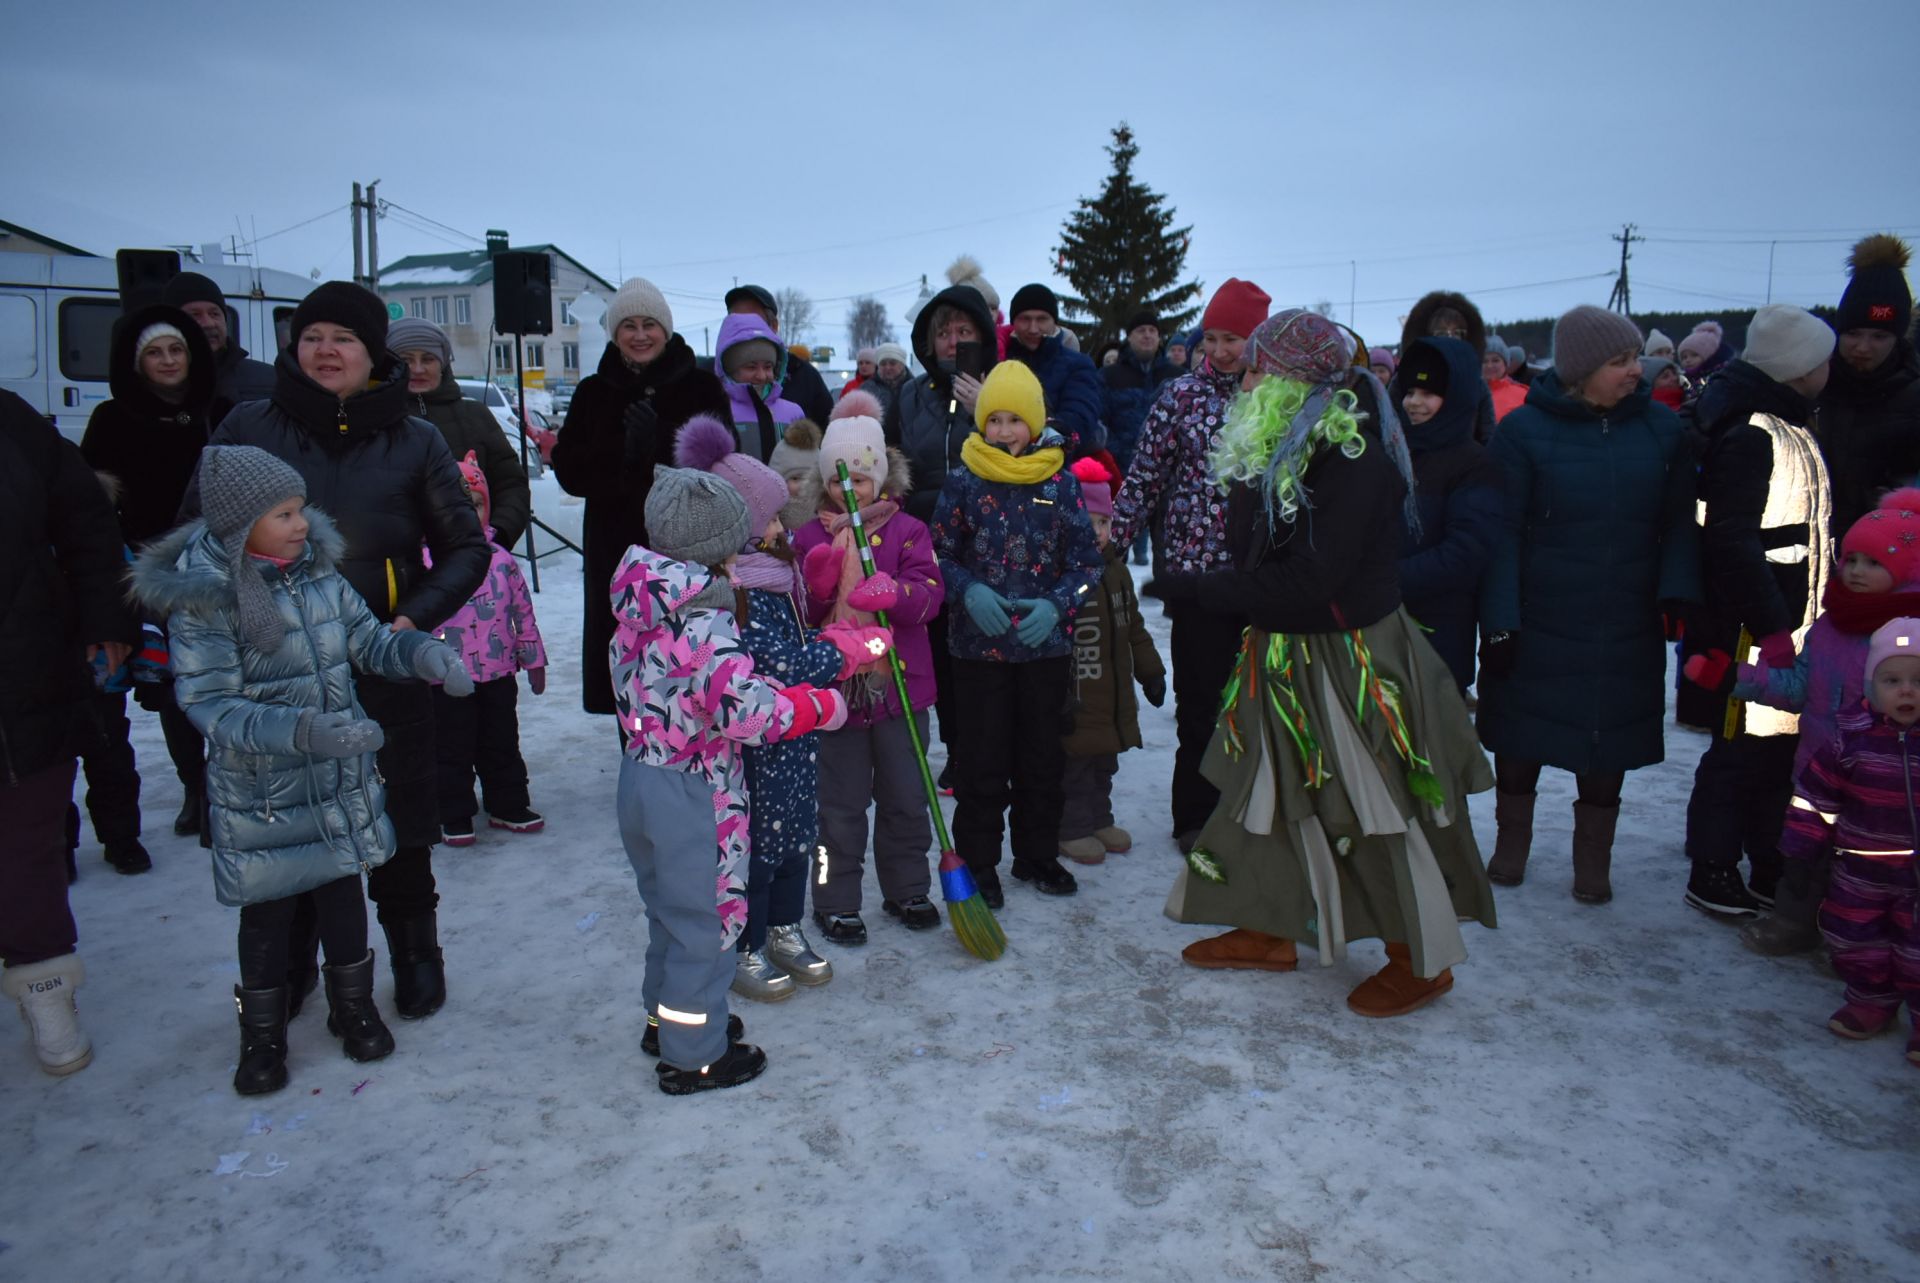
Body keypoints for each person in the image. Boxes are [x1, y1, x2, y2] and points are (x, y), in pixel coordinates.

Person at [1173, 308, 1495, 1017]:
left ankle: (1422, 957)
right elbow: (1260, 551)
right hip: (1286, 651)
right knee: (1269, 793)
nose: (1244, 376)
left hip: (1350, 664)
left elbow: (1307, 581)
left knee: (1370, 803)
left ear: (1293, 376)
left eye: (1257, 366)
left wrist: (1201, 591)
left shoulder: (1353, 461)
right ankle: (1272, 924)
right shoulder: (1289, 447)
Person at [132, 446, 472, 1095]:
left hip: (336, 782)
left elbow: (367, 640)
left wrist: (423, 654)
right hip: (264, 795)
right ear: (237, 526)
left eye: (297, 508)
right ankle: (261, 1035)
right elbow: (209, 703)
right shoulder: (208, 599)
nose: (301, 522)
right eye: (283, 513)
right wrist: (304, 730)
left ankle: (354, 1007)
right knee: (266, 918)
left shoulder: (317, 573)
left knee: (344, 901)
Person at [197, 280, 490, 1020]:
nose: (327, 350)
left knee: (403, 821)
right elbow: (196, 543)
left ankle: (416, 952)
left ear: (372, 354)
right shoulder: (246, 427)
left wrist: (411, 619)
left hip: (379, 662)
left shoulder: (416, 437)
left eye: (345, 338)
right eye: (313, 335)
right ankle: (288, 965)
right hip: (275, 678)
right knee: (287, 827)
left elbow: (464, 547)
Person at [611, 465, 847, 1093]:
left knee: (670, 911)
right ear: (716, 548)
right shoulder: (702, 618)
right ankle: (696, 1055)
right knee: (707, 920)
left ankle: (669, 1021)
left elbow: (691, 689)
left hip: (642, 776)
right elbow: (744, 712)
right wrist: (818, 706)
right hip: (695, 791)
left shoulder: (644, 600)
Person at [1478, 305, 1701, 901]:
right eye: (1620, 362)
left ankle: (1592, 862)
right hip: (1541, 613)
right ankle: (1511, 846)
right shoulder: (1523, 432)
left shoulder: (1661, 430)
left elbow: (1680, 522)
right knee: (1521, 737)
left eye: (1634, 359)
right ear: (1580, 371)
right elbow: (1502, 533)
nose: (1636, 371)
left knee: (1609, 742)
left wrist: (1677, 590)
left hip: (1623, 617)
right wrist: (1499, 621)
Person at [672, 416, 889, 992]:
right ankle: (747, 942)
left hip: (798, 735)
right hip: (758, 741)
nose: (780, 522)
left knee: (796, 836)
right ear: (737, 526)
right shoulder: (734, 590)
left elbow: (793, 644)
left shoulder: (777, 574)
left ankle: (785, 928)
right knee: (760, 848)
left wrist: (821, 617)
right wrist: (840, 654)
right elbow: (772, 662)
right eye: (768, 515)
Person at [1686, 492, 1920, 954]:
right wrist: (1734, 677)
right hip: (1817, 772)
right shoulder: (1829, 627)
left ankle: (1860, 945)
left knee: (1867, 867)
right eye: (1850, 558)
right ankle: (1793, 923)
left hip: (1886, 784)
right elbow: (1796, 687)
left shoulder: (1908, 635)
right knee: (1803, 851)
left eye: (1873, 563)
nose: (1855, 570)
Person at [1677, 304, 1836, 922]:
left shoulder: (1789, 423)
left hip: (1790, 618)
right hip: (1755, 627)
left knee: (1774, 755)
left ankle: (1764, 860)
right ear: (1800, 369)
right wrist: (1771, 627)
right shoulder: (1752, 434)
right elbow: (1733, 540)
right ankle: (1711, 866)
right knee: (1740, 750)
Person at [1, 389, 137, 1077]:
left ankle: (45, 988)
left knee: (26, 841)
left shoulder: (12, 423)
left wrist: (105, 618)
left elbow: (86, 522)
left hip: (23, 666)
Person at [931, 360, 1103, 903]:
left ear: (1034, 422)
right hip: (976, 651)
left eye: (1014, 419)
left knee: (1040, 759)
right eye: (994, 419)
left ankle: (1036, 855)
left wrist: (1056, 605)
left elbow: (1087, 567)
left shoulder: (1061, 482)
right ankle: (980, 863)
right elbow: (937, 555)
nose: (1004, 431)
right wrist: (968, 591)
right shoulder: (963, 479)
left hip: (1042, 651)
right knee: (981, 760)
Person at [1110, 277, 1270, 853]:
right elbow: (1145, 478)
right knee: (1201, 702)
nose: (1223, 350)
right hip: (1198, 577)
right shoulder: (1180, 397)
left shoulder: (1274, 398)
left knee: (1256, 702)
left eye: (1236, 338)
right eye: (1215, 337)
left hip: (1262, 578)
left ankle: (1255, 808)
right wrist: (1111, 545)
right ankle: (1196, 816)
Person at [794, 398, 947, 943]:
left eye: (860, 477)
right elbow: (800, 618)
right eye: (838, 479)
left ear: (879, 477)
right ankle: (834, 898)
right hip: (836, 692)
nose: (848, 489)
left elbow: (932, 595)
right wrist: (815, 588)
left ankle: (907, 887)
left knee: (907, 796)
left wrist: (898, 592)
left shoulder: (907, 530)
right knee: (839, 805)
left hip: (901, 688)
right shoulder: (810, 536)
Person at [552, 276, 729, 718]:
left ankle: (694, 775)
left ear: (665, 330)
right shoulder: (593, 392)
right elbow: (570, 472)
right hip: (618, 552)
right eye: (628, 325)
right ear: (615, 333)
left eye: (649, 323)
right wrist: (622, 453)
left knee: (690, 667)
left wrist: (660, 442)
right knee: (629, 668)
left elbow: (721, 463)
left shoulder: (701, 387)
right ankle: (640, 771)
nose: (639, 334)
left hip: (683, 551)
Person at [79, 305, 218, 860]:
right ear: (137, 362)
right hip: (151, 570)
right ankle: (194, 786)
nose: (167, 361)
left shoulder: (216, 411)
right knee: (171, 681)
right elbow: (93, 504)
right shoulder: (113, 419)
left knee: (224, 674)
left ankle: (227, 780)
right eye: (155, 353)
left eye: (176, 350)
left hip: (216, 564)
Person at [1777, 618, 1920, 1066]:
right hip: (1859, 868)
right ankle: (1871, 997)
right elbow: (1815, 798)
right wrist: (1800, 849)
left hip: (1916, 876)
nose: (1906, 691)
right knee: (1852, 935)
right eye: (1892, 680)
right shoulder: (1850, 739)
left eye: (1918, 681)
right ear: (1871, 686)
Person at [894, 275, 1000, 778]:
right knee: (939, 656)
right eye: (943, 332)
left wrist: (987, 411)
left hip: (991, 543)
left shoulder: (1005, 385)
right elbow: (893, 459)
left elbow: (1043, 447)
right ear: (928, 341)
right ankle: (959, 754)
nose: (954, 341)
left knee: (985, 655)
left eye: (964, 330)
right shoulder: (909, 395)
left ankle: (991, 752)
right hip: (925, 546)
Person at [429, 453, 547, 847]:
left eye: (476, 504)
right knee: (451, 746)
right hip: (442, 676)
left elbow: (522, 611)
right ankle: (454, 812)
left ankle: (508, 803)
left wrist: (533, 660)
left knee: (501, 741)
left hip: (498, 672)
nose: (467, 513)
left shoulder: (502, 561)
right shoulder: (426, 561)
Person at [1057, 455, 1165, 865]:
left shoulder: (1116, 570)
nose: (1096, 531)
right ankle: (1071, 827)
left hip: (1114, 695)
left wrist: (1151, 671)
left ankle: (1099, 818)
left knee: (1104, 762)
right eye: (1087, 520)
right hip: (1080, 693)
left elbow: (1133, 626)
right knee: (1077, 767)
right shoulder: (1062, 574)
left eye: (1103, 522)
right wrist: (1059, 695)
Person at [1392, 337, 1506, 695]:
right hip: (1377, 628)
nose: (1414, 403)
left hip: (1438, 634)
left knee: (1431, 746)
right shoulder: (1392, 451)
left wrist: (1384, 581)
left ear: (1456, 396)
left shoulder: (1474, 463)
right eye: (1409, 391)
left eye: (1428, 393)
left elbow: (1466, 552)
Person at [389, 317, 531, 550]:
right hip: (398, 563)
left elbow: (511, 484)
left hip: (472, 558)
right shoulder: (376, 418)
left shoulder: (474, 415)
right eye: (405, 360)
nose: (417, 369)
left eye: (428, 359)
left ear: (443, 363)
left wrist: (499, 534)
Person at [1816, 234, 1920, 535]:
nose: (1862, 347)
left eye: (1879, 337)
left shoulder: (1914, 396)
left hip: (1878, 550)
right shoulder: (1811, 381)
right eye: (1853, 333)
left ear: (1898, 338)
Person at [162, 271, 277, 424]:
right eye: (195, 314)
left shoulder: (270, 379)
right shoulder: (154, 384)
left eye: (214, 314)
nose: (209, 323)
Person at [1003, 283, 1106, 453]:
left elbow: (1079, 421)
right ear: (1013, 322)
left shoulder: (1078, 365)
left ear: (1054, 322)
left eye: (1042, 319)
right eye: (1025, 319)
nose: (1033, 328)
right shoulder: (1000, 361)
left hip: (1055, 466)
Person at [722, 285, 835, 424]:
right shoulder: (707, 381)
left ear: (774, 326)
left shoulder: (804, 376)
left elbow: (827, 433)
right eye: (735, 321)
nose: (743, 329)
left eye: (753, 320)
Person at [714, 312, 806, 462]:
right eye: (751, 367)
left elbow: (807, 466)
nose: (762, 376)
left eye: (768, 367)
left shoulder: (793, 412)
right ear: (730, 370)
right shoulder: (716, 413)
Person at [1102, 310, 1179, 476]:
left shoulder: (1178, 376)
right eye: (1141, 330)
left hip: (1168, 472)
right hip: (1120, 471)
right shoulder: (1108, 375)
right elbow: (1100, 421)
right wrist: (1118, 455)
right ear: (1129, 337)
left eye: (1152, 331)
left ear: (1159, 338)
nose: (1147, 335)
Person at [1482, 335, 1528, 422]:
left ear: (1505, 363)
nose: (1489, 365)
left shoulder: (1523, 395)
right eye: (1484, 361)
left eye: (1495, 360)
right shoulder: (1467, 393)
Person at [865, 342, 911, 424]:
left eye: (892, 363)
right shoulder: (868, 389)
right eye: (883, 364)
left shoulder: (914, 388)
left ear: (902, 365)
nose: (887, 367)